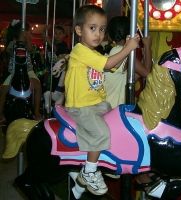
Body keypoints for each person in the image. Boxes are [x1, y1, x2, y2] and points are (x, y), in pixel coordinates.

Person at [64, 4, 140, 196]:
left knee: (116, 122)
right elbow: (108, 64)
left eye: (102, 29)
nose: (98, 34)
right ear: (79, 30)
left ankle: (81, 176)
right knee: (101, 132)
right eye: (92, 28)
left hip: (97, 104)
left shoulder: (94, 53)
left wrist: (129, 46)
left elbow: (113, 67)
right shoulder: (80, 50)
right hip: (81, 106)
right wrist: (127, 47)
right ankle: (89, 172)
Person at [106, 15, 162, 195]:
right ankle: (141, 175)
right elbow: (145, 72)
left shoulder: (114, 53)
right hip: (116, 112)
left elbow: (133, 77)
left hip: (112, 108)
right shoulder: (123, 53)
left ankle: (143, 173)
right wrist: (147, 46)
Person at [0, 20, 42, 123]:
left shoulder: (28, 44)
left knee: (37, 86)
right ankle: (0, 113)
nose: (30, 35)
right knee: (3, 89)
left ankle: (36, 111)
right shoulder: (12, 44)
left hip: (28, 71)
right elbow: (12, 55)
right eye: (29, 33)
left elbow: (31, 50)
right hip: (15, 71)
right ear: (21, 33)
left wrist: (27, 39)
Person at [42, 25, 69, 92]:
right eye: (55, 33)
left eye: (60, 33)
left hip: (58, 69)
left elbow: (56, 49)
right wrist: (44, 31)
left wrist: (49, 41)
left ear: (63, 35)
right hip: (49, 66)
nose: (57, 35)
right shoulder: (52, 42)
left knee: (55, 85)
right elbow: (44, 42)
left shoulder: (63, 44)